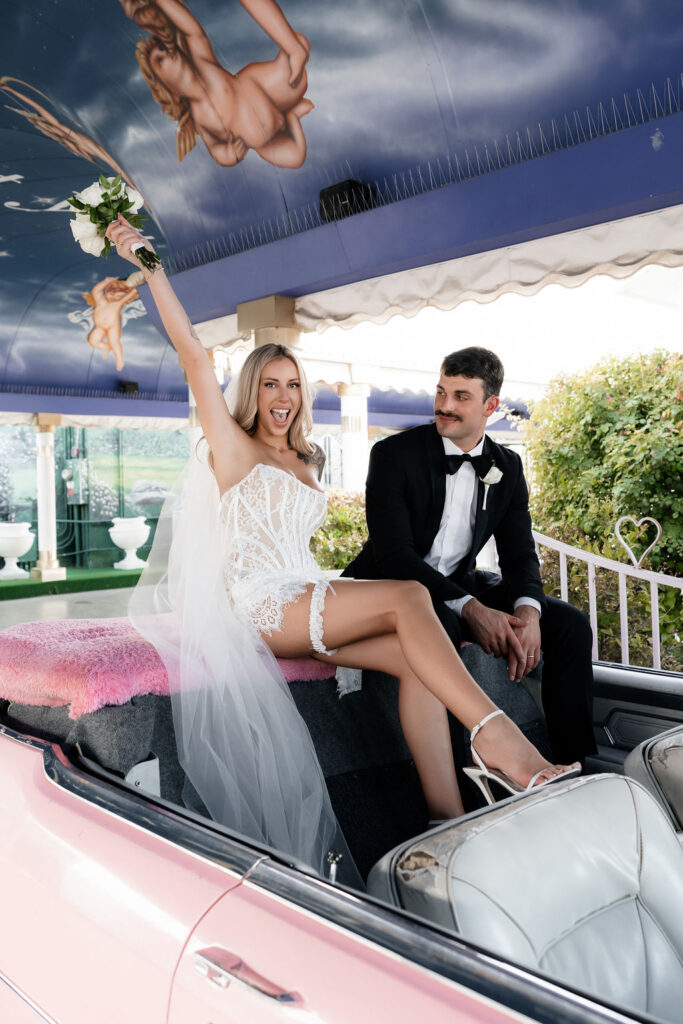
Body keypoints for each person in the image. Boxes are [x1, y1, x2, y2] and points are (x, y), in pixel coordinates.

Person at [108, 215, 580, 879]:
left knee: (418, 661)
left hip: (303, 596)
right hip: (262, 608)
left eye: (292, 384)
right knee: (413, 594)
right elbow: (191, 350)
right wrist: (147, 261)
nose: (281, 396)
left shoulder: (307, 460)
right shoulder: (233, 449)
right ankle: (498, 740)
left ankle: (444, 823)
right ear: (251, 392)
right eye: (269, 384)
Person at [344, 347, 596, 768]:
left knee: (569, 625)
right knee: (439, 625)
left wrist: (528, 612)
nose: (444, 405)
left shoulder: (507, 467)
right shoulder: (392, 456)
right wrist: (471, 608)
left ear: (490, 406)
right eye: (441, 392)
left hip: (459, 582)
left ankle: (573, 769)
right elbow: (394, 556)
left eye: (461, 396)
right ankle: (470, 774)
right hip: (391, 588)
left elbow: (518, 553)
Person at [120, 0, 313, 167]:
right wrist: (230, 155)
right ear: (168, 89)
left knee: (299, 43)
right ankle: (292, 117)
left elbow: (191, 30)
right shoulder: (199, 116)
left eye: (162, 47)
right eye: (160, 61)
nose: (165, 52)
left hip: (263, 89)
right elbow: (215, 148)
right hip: (264, 139)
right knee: (294, 157)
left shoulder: (202, 61)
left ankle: (293, 61)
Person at [83, 277, 139, 371]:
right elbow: (96, 291)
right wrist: (105, 282)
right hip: (100, 326)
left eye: (118, 296)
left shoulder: (118, 303)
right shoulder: (101, 302)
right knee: (93, 341)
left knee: (115, 342)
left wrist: (137, 288)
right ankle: (106, 347)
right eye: (112, 293)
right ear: (107, 293)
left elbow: (129, 295)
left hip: (112, 326)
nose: (114, 296)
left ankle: (120, 360)